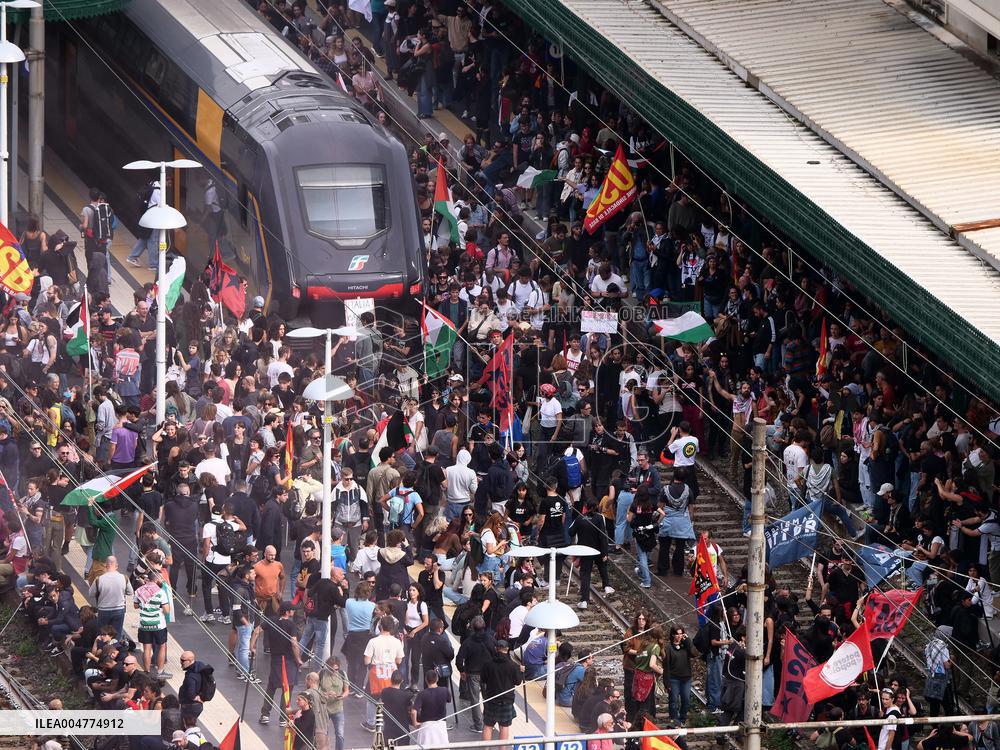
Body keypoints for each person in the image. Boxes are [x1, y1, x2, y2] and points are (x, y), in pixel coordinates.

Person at [362, 615, 405, 731]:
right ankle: (389, 721)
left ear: (380, 626)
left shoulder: (373, 641)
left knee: (372, 698)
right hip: (391, 672)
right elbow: (399, 660)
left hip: (376, 673)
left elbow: (366, 660)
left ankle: (371, 722)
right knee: (390, 698)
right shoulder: (397, 642)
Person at [480, 639, 522, 744]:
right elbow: (517, 682)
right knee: (504, 727)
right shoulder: (512, 666)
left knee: (488, 726)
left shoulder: (487, 664)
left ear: (496, 649)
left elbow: (483, 679)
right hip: (506, 700)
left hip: (491, 698)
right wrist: (520, 672)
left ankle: (486, 748)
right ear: (507, 649)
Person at [411, 668, 451, 746]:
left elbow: (413, 711)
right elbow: (448, 700)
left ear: (426, 680)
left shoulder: (422, 694)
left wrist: (415, 723)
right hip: (441, 725)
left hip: (426, 727)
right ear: (437, 679)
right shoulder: (445, 690)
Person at [319, 656, 349, 750]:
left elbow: (346, 690)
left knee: (340, 734)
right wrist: (325, 694)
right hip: (324, 709)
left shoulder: (342, 674)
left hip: (338, 709)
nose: (334, 671)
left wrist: (342, 696)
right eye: (332, 669)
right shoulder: (322, 673)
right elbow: (314, 689)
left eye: (336, 669)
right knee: (324, 733)